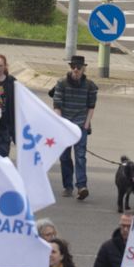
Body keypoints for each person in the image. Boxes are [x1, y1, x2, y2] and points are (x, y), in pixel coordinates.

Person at [51, 55, 98, 200]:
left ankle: (82, 186)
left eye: (79, 67)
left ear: (84, 69)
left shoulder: (90, 86)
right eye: (73, 67)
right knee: (65, 157)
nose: (76, 70)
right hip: (65, 124)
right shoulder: (61, 83)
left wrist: (86, 124)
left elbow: (91, 107)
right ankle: (68, 186)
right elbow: (57, 105)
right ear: (70, 68)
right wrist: (61, 124)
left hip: (80, 124)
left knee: (80, 156)